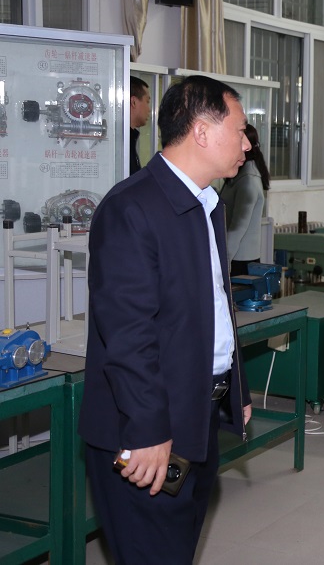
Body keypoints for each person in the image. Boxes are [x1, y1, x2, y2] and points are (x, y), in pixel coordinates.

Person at [79, 75, 254, 563]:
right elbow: (128, 336)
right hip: (151, 427)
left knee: (177, 543)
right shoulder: (131, 209)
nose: (246, 144)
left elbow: (214, 308)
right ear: (201, 132)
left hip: (198, 412)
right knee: (153, 551)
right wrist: (148, 431)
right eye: (240, 130)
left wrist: (235, 389)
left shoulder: (205, 204)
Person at [219, 124, 271, 276]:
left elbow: (238, 228)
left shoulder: (248, 181)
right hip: (235, 257)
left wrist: (224, 262)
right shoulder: (238, 177)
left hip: (240, 261)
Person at [129, 76, 152, 175]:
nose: (149, 109)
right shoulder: (119, 143)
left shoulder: (131, 138)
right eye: (147, 102)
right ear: (133, 102)